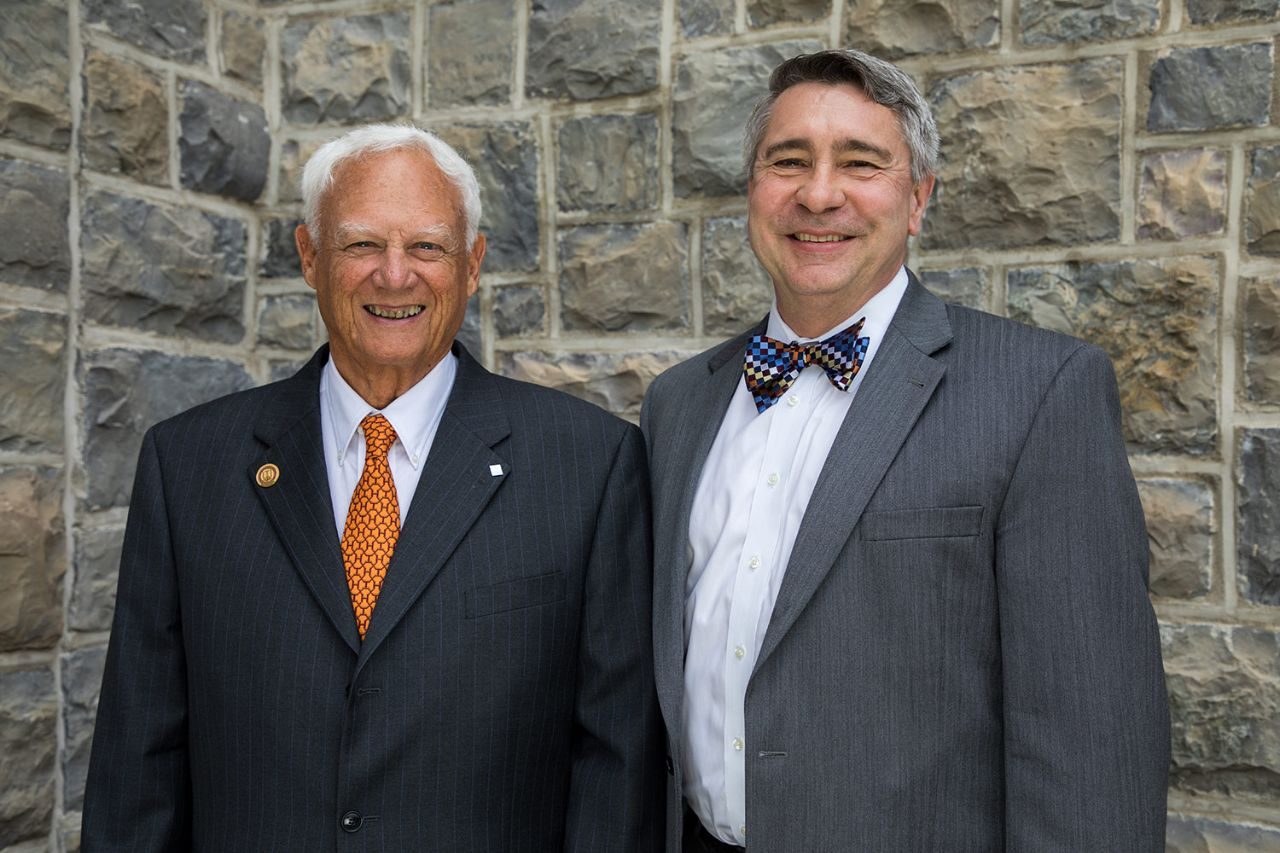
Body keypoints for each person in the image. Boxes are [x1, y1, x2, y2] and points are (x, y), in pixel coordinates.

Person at [641, 49, 1170, 852]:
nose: (819, 194)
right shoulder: (678, 404)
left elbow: (1091, 741)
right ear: (753, 190)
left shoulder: (1039, 392)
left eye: (861, 162)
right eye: (789, 161)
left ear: (918, 198)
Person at [83, 124, 663, 852]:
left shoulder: (590, 464)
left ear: (474, 263)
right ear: (309, 256)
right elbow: (139, 765)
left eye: (427, 246)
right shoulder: (188, 465)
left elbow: (616, 766)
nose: (395, 275)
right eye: (362, 245)